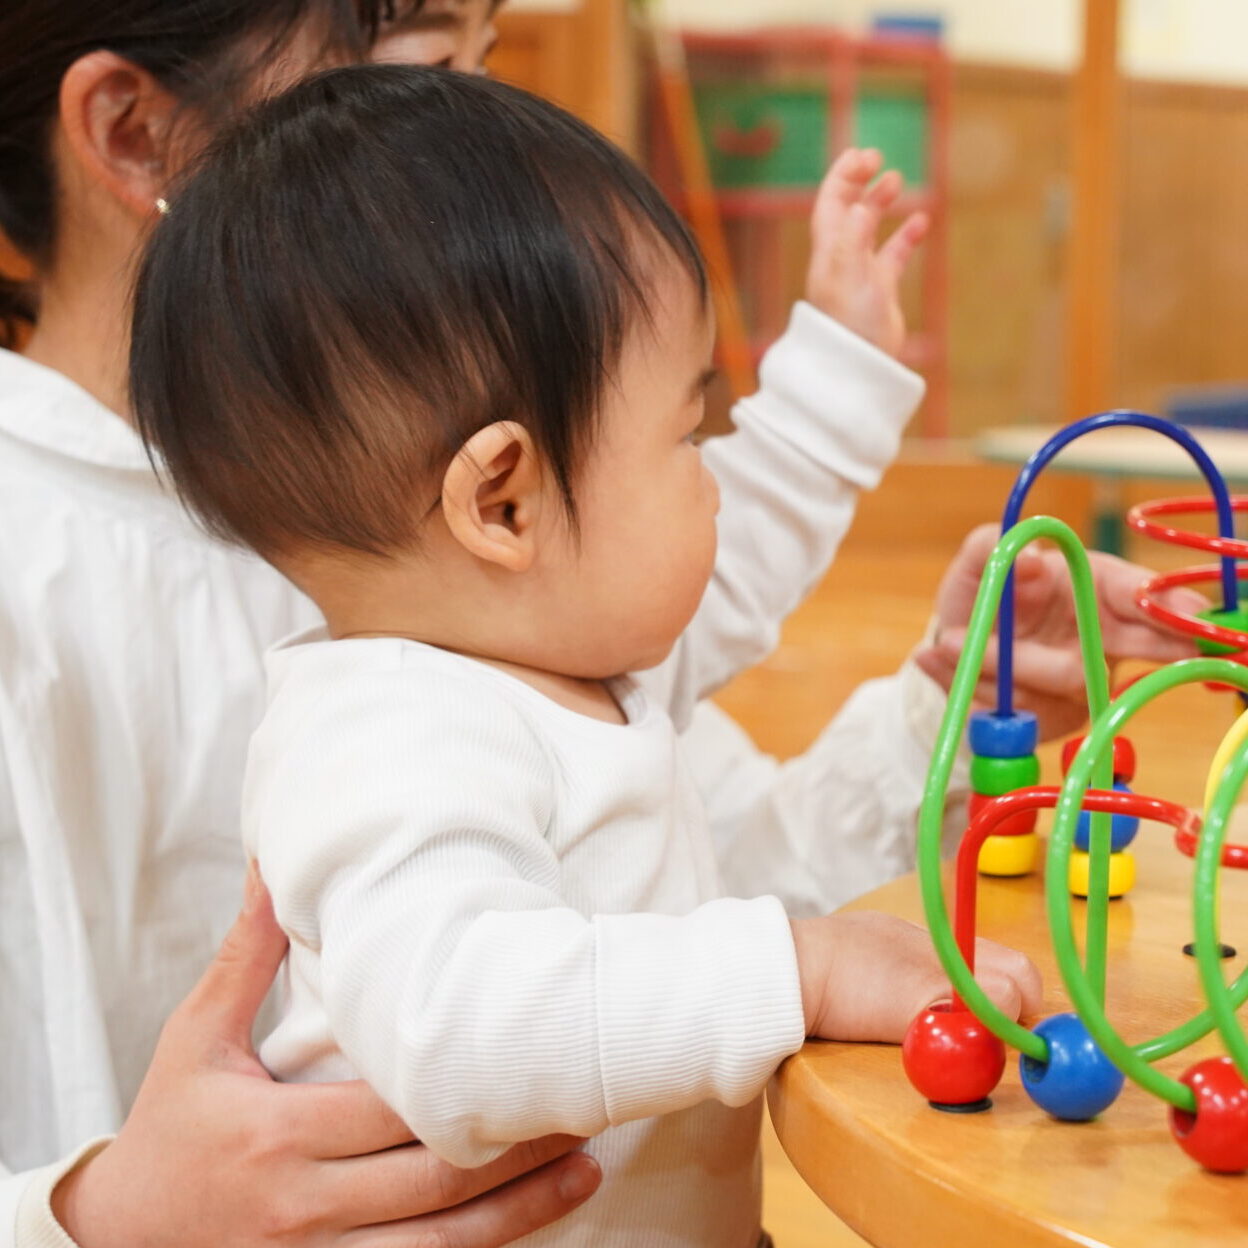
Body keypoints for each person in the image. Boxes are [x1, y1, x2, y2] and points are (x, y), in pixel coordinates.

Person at [0, 1, 1204, 1243]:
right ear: (501, 502)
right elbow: (469, 1026)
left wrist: (938, 718)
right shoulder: (390, 724)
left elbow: (694, 894)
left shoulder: (524, 648)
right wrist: (797, 968)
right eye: (422, 67)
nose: (481, 116)